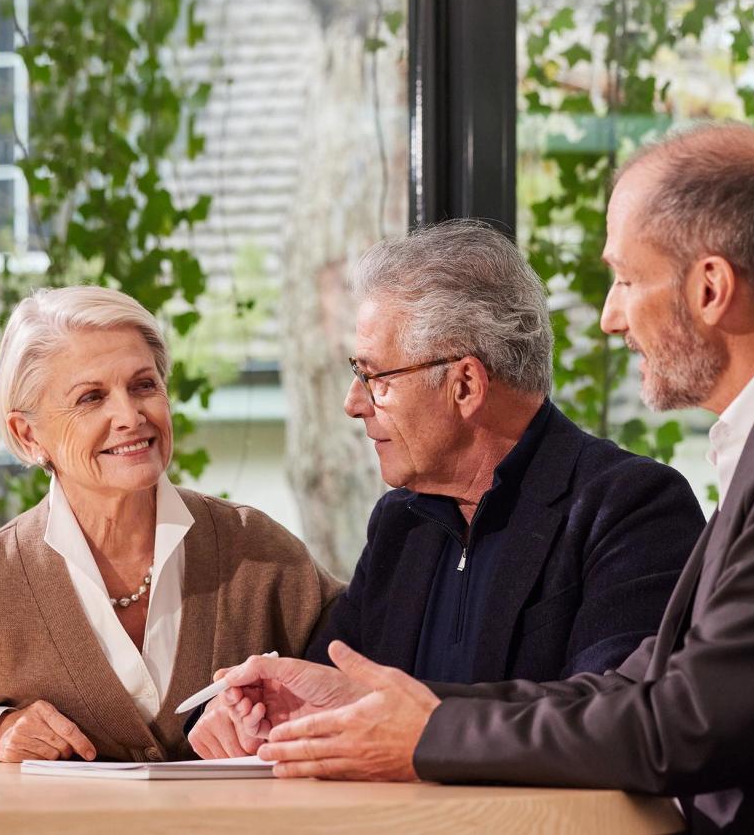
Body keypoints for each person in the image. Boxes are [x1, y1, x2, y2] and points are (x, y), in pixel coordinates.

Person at [213, 125, 754, 834]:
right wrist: (391, 710)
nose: (609, 318)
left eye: (626, 279)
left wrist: (426, 733)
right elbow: (647, 685)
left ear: (711, 287)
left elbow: (686, 724)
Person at [188, 220, 703, 757]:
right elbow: (329, 690)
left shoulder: (630, 508)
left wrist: (412, 720)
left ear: (465, 384)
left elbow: (616, 717)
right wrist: (265, 712)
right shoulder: (399, 523)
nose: (353, 402)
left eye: (375, 377)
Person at [0, 286, 341, 763]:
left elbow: (362, 668)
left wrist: (281, 705)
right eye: (91, 397)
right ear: (27, 435)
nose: (130, 416)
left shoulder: (259, 553)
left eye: (143, 385)